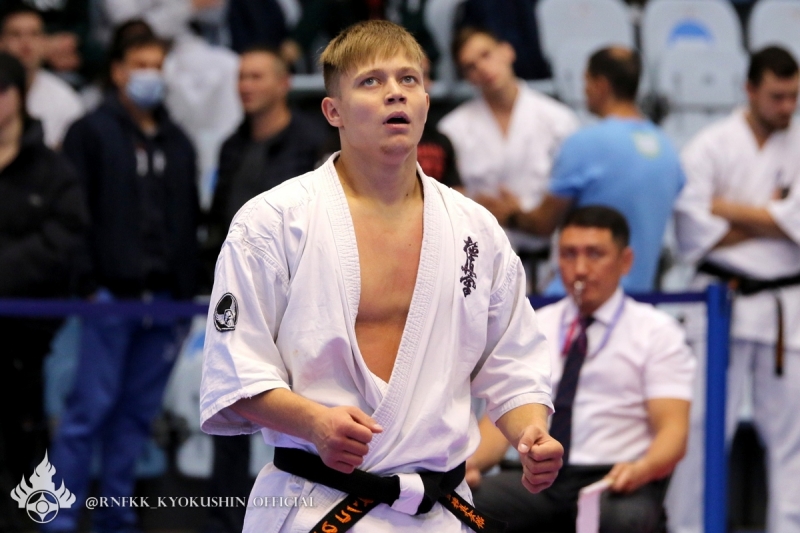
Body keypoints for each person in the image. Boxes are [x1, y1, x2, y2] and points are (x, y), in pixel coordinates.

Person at [200, 20, 562, 533]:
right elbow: (236, 370)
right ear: (333, 111)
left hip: (439, 512)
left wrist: (531, 433)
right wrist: (313, 422)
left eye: (408, 79)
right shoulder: (273, 222)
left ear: (426, 102)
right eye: (371, 81)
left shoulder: (475, 229)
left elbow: (514, 362)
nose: (395, 92)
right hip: (316, 503)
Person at [43, 31, 199, 533]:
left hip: (165, 303)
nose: (149, 73)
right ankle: (58, 518)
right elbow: (72, 214)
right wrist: (89, 285)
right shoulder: (89, 132)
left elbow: (186, 219)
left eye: (156, 63)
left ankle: (116, 517)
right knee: (87, 413)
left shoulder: (178, 142)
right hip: (108, 298)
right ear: (117, 71)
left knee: (136, 417)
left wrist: (184, 292)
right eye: (139, 63)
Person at [469, 206, 695, 533]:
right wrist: (468, 464)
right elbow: (500, 420)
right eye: (569, 254)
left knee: (624, 520)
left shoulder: (657, 332)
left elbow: (673, 430)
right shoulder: (535, 324)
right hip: (542, 476)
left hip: (614, 477)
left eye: (595, 254)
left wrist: (642, 469)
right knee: (462, 504)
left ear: (625, 261)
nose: (580, 269)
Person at [667, 46, 800, 533]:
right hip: (719, 300)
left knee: (792, 437)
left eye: (794, 97)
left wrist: (726, 208)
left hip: (786, 307)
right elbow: (692, 233)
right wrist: (775, 217)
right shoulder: (709, 146)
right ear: (749, 89)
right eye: (777, 97)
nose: (787, 107)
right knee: (702, 426)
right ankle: (688, 527)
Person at [202, 44, 329, 533]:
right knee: (232, 400)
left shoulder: (313, 142)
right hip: (238, 288)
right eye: (241, 77)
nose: (246, 86)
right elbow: (219, 218)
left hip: (299, 297)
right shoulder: (232, 144)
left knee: (296, 413)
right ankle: (225, 520)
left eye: (257, 76)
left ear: (283, 83)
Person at [479, 47, 685, 293]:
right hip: (640, 296)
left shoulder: (584, 144)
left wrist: (508, 214)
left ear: (601, 85)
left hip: (580, 297)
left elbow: (543, 224)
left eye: (586, 81)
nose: (584, 90)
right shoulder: (668, 149)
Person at [0, 51, 87, 532]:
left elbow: (66, 237)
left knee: (27, 450)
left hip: (32, 339)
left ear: (20, 95)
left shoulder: (50, 169)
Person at [438, 27, 578, 273]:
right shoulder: (453, 129)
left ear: (507, 52)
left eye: (486, 55)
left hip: (550, 258)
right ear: (467, 78)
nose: (482, 68)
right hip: (483, 261)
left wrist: (522, 215)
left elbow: (570, 195)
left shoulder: (559, 120)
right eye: (470, 66)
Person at [0, 7, 84, 148]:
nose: (26, 44)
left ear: (45, 42)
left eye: (34, 34)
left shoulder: (66, 101)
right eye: (15, 35)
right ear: (1, 42)